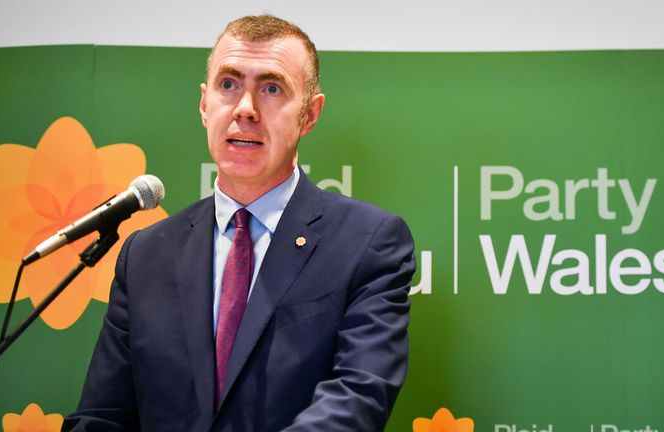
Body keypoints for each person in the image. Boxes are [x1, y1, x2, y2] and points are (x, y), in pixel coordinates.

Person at [63, 15, 415, 431]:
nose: (245, 109)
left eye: (271, 88)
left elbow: (357, 399)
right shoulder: (145, 255)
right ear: (203, 104)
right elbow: (102, 416)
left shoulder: (367, 244)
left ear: (309, 114)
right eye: (228, 85)